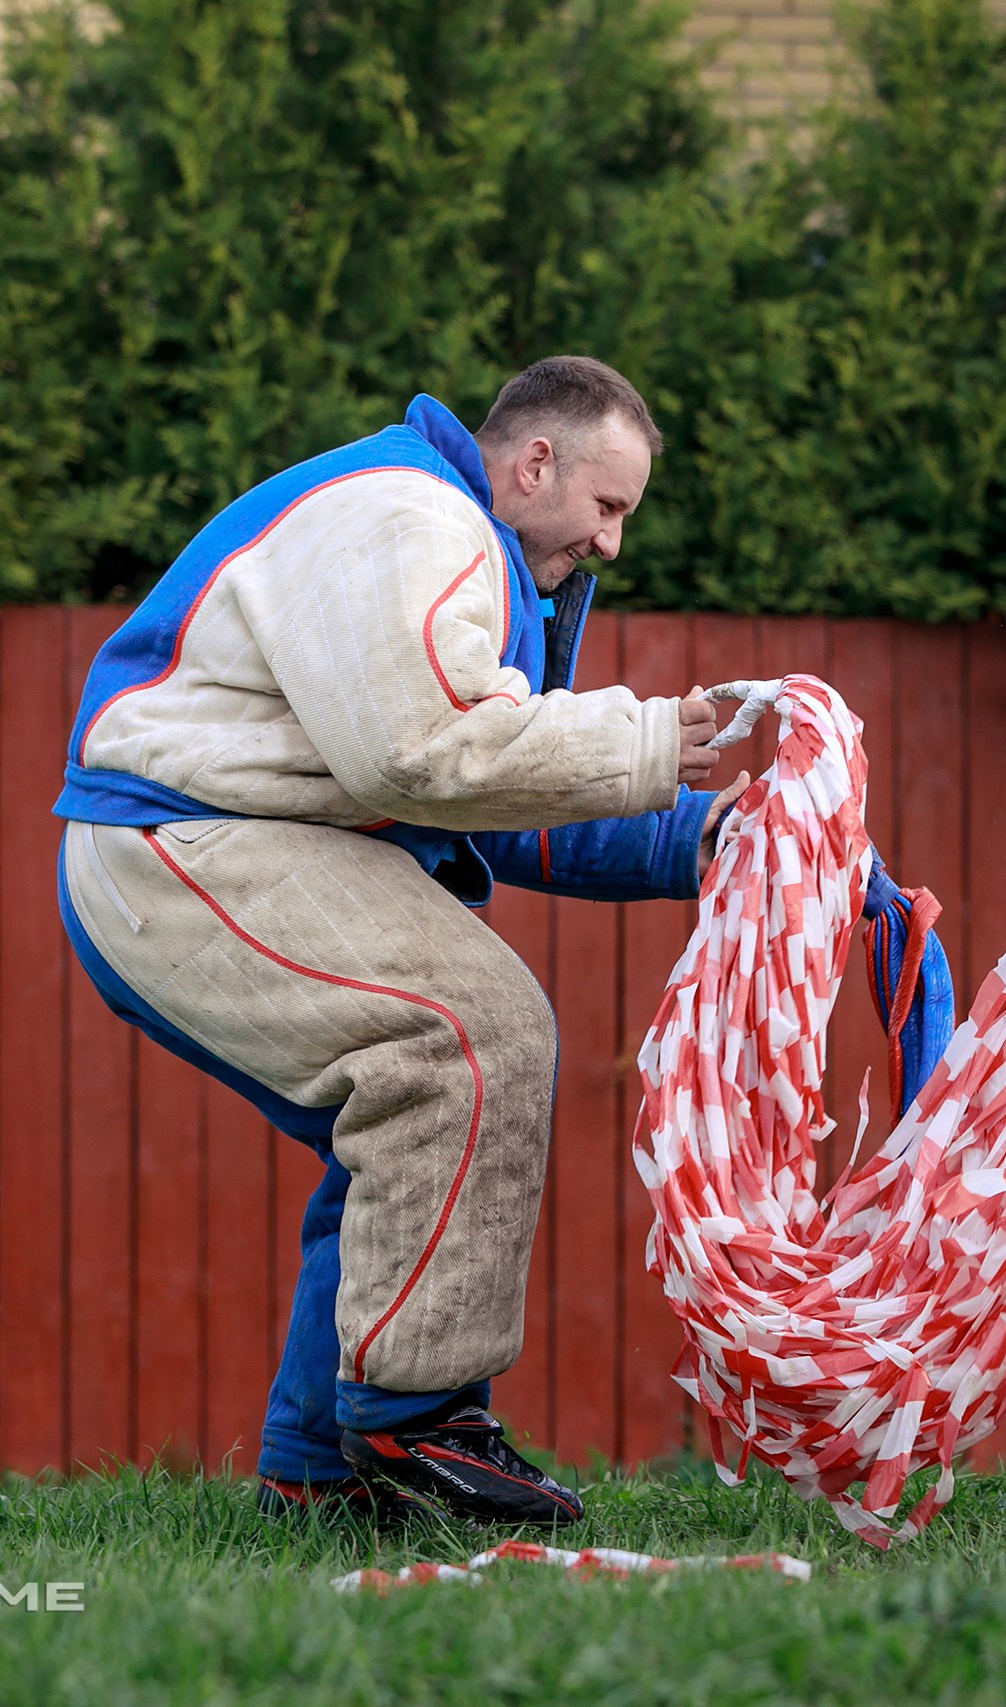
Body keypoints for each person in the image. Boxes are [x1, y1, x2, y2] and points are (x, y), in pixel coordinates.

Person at [53, 357, 747, 1528]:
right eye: (608, 507)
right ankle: (419, 1419)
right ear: (534, 464)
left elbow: (485, 801)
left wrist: (713, 841)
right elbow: (422, 754)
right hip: (182, 841)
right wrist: (646, 743)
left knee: (403, 1123)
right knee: (462, 1039)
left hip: (207, 845)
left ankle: (318, 1478)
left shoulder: (457, 549)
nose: (613, 544)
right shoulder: (411, 514)